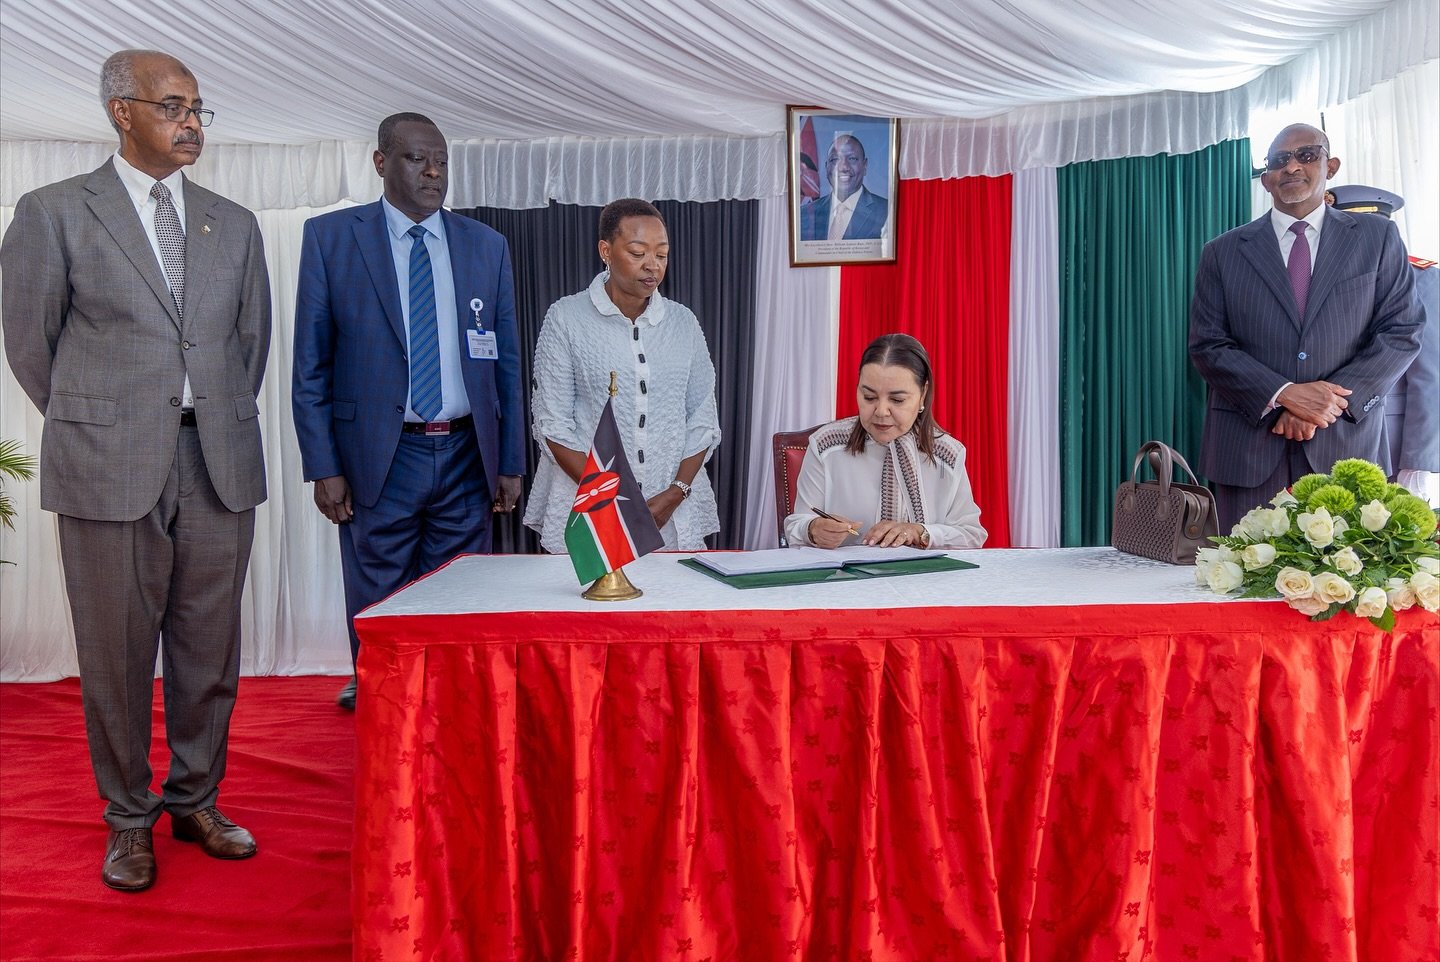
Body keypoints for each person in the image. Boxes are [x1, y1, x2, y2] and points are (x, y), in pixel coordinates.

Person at [1, 49, 270, 891]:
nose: (192, 123)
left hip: (216, 459)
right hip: (106, 463)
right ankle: (127, 819)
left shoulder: (235, 222)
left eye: (198, 109)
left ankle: (196, 799)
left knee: (208, 648)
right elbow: (30, 346)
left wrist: (200, 416)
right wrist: (105, 420)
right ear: (122, 111)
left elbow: (247, 347)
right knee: (116, 655)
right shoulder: (52, 213)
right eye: (173, 106)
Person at [292, 113, 524, 710]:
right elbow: (310, 364)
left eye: (441, 160)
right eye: (418, 159)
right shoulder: (332, 239)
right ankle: (382, 692)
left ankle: (447, 703)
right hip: (377, 454)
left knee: (456, 589)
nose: (433, 172)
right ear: (381, 163)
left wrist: (511, 461)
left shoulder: (485, 245)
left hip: (468, 451)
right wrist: (323, 465)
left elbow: (505, 362)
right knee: (378, 588)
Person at [1188, 123, 1424, 530]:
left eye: (1307, 155)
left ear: (1330, 166)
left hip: (1347, 448)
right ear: (1266, 180)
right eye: (1280, 160)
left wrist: (1324, 407)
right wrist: (1284, 395)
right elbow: (1208, 345)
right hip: (1247, 451)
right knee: (1242, 583)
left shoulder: (1378, 237)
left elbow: (1401, 332)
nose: (1292, 166)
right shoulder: (1221, 252)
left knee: (1342, 587)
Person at [525, 198, 721, 551]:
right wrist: (612, 495)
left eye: (661, 255)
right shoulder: (567, 318)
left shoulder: (683, 323)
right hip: (590, 503)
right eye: (637, 252)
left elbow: (703, 419)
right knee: (588, 605)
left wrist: (675, 494)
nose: (652, 265)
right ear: (606, 250)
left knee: (674, 605)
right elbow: (552, 424)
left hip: (670, 507)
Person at [784, 333, 987, 549]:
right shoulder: (826, 445)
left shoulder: (947, 453)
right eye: (869, 397)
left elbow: (971, 535)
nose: (881, 411)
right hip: (845, 580)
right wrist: (813, 530)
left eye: (897, 400)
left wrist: (921, 531)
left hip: (924, 580)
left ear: (923, 395)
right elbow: (796, 525)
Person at [1327, 184, 1439, 499]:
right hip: (1327, 434)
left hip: (1392, 442)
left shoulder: (1420, 277)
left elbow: (1431, 377)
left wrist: (1416, 463)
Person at [800, 134, 890, 241]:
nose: (843, 167)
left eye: (852, 158)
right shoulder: (804, 214)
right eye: (835, 159)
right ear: (826, 166)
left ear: (865, 166)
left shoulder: (886, 212)